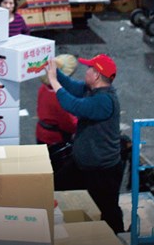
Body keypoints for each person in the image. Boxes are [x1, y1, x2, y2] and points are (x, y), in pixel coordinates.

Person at [45, 54, 125, 234]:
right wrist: (53, 69)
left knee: (108, 211)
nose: (86, 71)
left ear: (96, 75)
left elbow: (73, 105)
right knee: (55, 187)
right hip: (82, 164)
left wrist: (53, 81)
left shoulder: (104, 101)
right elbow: (72, 87)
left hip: (102, 171)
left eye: (89, 68)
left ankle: (120, 244)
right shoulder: (91, 90)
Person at [37, 54, 79, 189]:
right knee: (59, 175)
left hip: (41, 133)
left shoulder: (44, 89)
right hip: (56, 138)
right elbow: (70, 124)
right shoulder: (60, 96)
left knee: (45, 168)